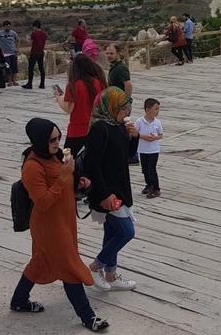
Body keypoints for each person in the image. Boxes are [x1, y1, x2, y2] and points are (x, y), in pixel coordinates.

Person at [9, 118, 109, 332]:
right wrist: (64, 177)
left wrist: (78, 182)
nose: (57, 142)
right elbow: (43, 202)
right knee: (69, 266)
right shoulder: (32, 167)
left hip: (64, 221)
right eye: (52, 139)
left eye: (58, 137)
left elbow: (63, 185)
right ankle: (88, 316)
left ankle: (18, 300)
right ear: (39, 140)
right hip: (48, 226)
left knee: (40, 262)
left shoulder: (54, 156)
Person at [84, 87, 140, 292]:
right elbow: (93, 165)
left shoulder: (116, 126)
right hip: (107, 191)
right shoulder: (99, 129)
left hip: (120, 188)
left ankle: (111, 274)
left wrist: (134, 137)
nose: (127, 114)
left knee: (112, 231)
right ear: (112, 107)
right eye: (124, 110)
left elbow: (127, 157)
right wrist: (105, 194)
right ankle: (94, 266)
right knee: (126, 231)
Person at [56, 53, 107, 157]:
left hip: (77, 130)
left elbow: (68, 108)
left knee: (68, 158)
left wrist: (59, 98)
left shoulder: (73, 86)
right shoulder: (99, 82)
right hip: (97, 128)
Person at [135, 98, 163, 198]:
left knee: (152, 169)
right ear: (147, 110)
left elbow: (161, 135)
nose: (157, 111)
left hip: (153, 150)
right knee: (145, 169)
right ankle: (149, 185)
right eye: (155, 109)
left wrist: (155, 138)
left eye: (158, 109)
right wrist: (144, 137)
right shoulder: (139, 121)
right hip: (142, 150)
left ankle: (156, 189)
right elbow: (134, 134)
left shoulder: (157, 122)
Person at [23, 20, 47, 90]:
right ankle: (42, 84)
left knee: (31, 68)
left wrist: (27, 38)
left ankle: (30, 84)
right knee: (41, 68)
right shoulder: (44, 34)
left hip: (34, 52)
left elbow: (29, 43)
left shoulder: (34, 33)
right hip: (41, 52)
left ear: (35, 26)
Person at [0, 21, 19, 87]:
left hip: (13, 53)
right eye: (6, 26)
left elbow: (17, 40)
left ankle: (14, 81)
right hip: (5, 54)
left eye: (9, 26)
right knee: (8, 67)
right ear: (3, 27)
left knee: (14, 67)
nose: (8, 28)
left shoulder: (13, 33)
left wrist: (17, 48)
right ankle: (9, 81)